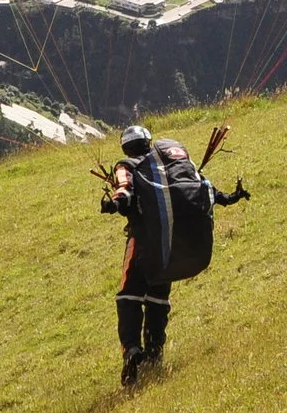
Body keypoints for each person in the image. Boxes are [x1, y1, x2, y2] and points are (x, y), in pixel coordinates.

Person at [100, 124, 248, 385]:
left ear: (125, 147)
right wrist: (231, 197)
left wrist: (113, 204)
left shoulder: (127, 164)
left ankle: (132, 349)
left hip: (144, 240)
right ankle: (155, 355)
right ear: (148, 142)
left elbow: (124, 190)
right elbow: (204, 190)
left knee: (128, 296)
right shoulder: (170, 166)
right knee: (158, 298)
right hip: (169, 241)